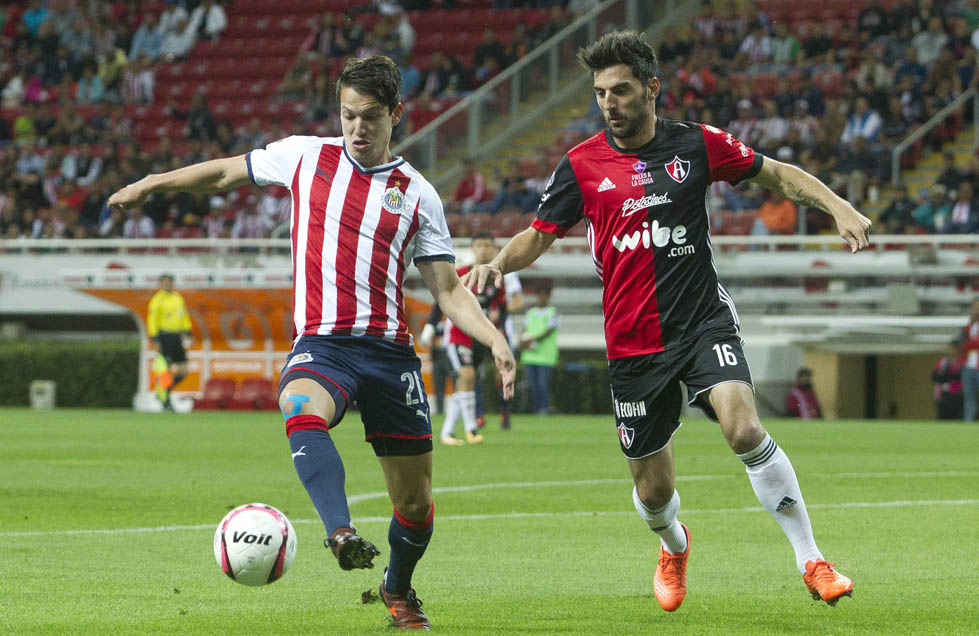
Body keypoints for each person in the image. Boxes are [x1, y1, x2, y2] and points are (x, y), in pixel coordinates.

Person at [464, 31, 869, 613]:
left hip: (702, 320)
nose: (609, 102)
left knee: (743, 430)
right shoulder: (581, 164)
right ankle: (673, 546)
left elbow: (776, 174)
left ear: (652, 88)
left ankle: (812, 559)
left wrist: (839, 205)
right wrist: (498, 265)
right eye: (601, 92)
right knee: (653, 492)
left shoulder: (698, 146)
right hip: (633, 346)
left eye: (621, 90)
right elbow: (538, 233)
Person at [108, 55, 516, 631]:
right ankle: (339, 530)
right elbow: (226, 172)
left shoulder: (418, 194)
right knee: (300, 405)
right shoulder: (304, 155)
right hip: (323, 344)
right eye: (348, 114)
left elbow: (447, 289)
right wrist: (154, 183)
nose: (356, 128)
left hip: (390, 353)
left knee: (417, 505)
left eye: (370, 117)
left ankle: (397, 586)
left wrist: (494, 338)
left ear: (396, 114)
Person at [439, 232, 508, 446]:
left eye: (487, 245)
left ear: (494, 249)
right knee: (466, 375)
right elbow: (441, 298)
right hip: (458, 334)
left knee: (467, 381)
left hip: (480, 338)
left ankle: (448, 432)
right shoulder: (460, 274)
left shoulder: (496, 279)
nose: (483, 249)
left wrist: (498, 331)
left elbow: (502, 309)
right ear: (472, 248)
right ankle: (470, 429)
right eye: (478, 245)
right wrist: (432, 326)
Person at [146, 274, 193, 411]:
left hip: (177, 336)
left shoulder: (178, 298)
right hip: (164, 336)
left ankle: (164, 392)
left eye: (170, 282)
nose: (168, 284)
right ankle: (166, 400)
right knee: (166, 369)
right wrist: (155, 339)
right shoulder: (157, 300)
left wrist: (188, 331)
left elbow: (183, 315)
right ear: (160, 284)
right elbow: (152, 319)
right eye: (165, 282)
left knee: (184, 370)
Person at [520, 282, 559, 415]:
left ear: (548, 297)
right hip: (530, 356)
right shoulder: (530, 313)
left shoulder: (552, 312)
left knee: (543, 384)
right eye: (539, 295)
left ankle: (544, 408)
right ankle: (537, 409)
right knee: (532, 385)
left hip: (546, 356)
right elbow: (524, 330)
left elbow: (548, 332)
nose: (542, 298)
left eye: (544, 296)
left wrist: (531, 339)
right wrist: (522, 340)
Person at [932, 340, 964, 420]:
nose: (950, 351)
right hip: (944, 395)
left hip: (959, 395)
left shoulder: (963, 362)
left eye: (952, 349)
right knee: (943, 417)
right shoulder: (943, 362)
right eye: (949, 349)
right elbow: (935, 376)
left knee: (958, 418)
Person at [961, 299, 979, 422]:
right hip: (968, 367)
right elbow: (962, 345)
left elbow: (971, 344)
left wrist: (971, 344)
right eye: (975, 306)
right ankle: (969, 421)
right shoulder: (967, 327)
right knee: (969, 397)